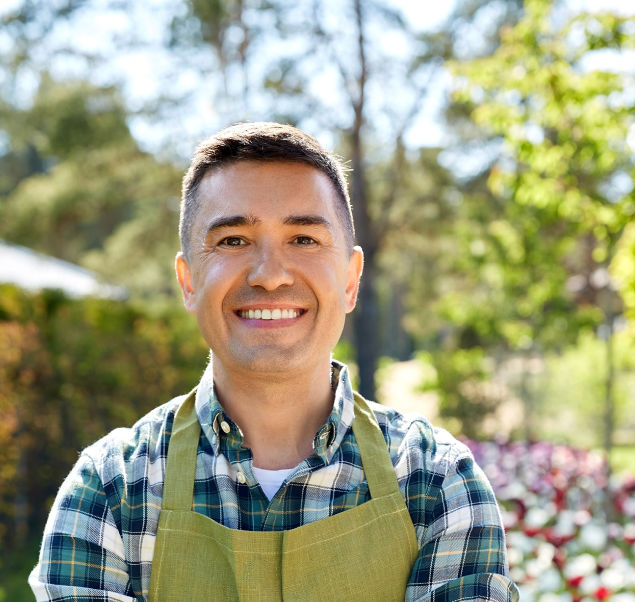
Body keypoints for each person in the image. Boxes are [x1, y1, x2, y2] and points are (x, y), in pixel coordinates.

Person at [29, 122, 519, 601]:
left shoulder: (437, 482)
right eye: (233, 240)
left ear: (350, 279)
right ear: (188, 281)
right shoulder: (111, 490)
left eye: (304, 239)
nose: (269, 276)